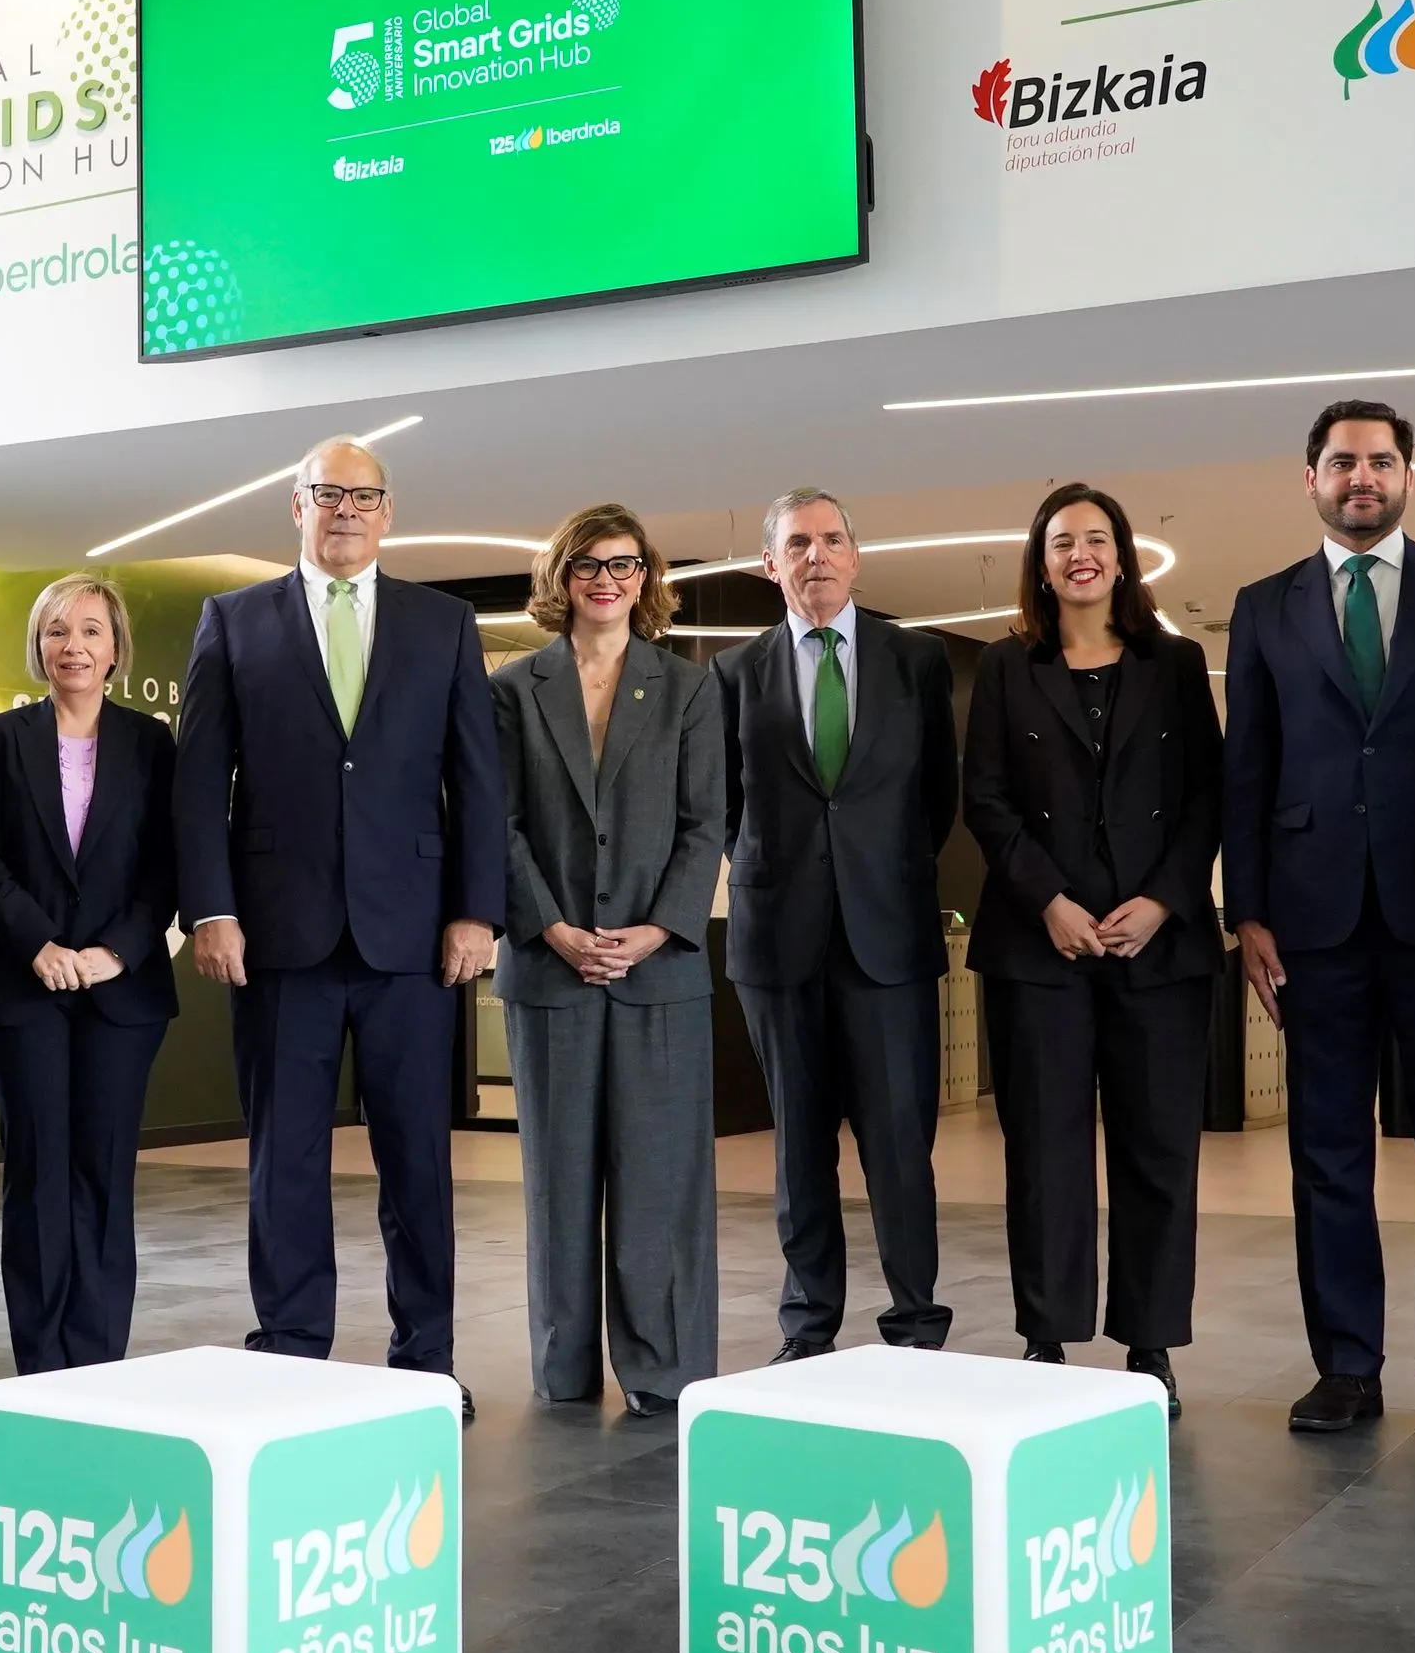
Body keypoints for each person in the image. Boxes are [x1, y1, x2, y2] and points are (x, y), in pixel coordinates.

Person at [176, 437, 504, 1411]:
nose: (347, 509)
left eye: (364, 495)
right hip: (277, 935)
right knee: (286, 1157)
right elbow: (199, 783)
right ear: (297, 505)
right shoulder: (233, 621)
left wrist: (477, 910)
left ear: (389, 511)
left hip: (414, 937)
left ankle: (427, 1360)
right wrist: (213, 907)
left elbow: (477, 778)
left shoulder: (443, 624)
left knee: (418, 1161)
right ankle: (288, 1349)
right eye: (330, 493)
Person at [1222, 398, 1415, 1440]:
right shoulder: (1264, 606)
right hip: (1311, 919)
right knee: (1326, 1151)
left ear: (1408, 476)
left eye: (1382, 461)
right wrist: (1245, 910)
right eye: (1344, 461)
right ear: (1308, 476)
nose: (1364, 476)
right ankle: (1347, 1364)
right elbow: (1246, 765)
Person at [963, 482, 1221, 1410]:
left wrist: (1162, 900)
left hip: (1159, 946)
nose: (1082, 554)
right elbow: (984, 798)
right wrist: (1048, 902)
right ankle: (1047, 1336)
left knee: (1158, 1150)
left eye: (1098, 538)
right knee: (1045, 1150)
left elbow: (1204, 797)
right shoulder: (1004, 666)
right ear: (1041, 560)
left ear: (1124, 557)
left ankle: (1150, 1345)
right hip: (1045, 947)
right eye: (1063, 540)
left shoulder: (1178, 663)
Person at [492, 504, 726, 1417]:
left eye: (624, 565)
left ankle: (662, 1370)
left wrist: (658, 929)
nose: (605, 579)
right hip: (549, 968)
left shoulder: (688, 689)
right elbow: (499, 826)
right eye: (587, 563)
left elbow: (707, 824)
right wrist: (550, 927)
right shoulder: (512, 689)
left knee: (659, 1181)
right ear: (562, 574)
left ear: (645, 579)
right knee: (557, 1184)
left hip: (658, 972)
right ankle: (562, 1370)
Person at [717, 488, 961, 1359]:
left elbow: (938, 800)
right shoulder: (733, 673)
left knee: (901, 1144)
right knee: (799, 1151)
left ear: (856, 556)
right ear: (769, 566)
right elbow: (724, 806)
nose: (815, 556)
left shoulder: (917, 661)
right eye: (797, 544)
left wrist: (876, 874)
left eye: (831, 540)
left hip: (887, 936)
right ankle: (808, 1325)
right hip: (777, 942)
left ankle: (915, 1322)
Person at [0, 573, 175, 1374]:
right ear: (38, 646)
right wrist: (40, 945)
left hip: (124, 990)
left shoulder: (152, 744)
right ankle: (42, 1364)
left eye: (89, 630)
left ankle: (98, 1357)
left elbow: (167, 865)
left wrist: (113, 952)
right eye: (57, 631)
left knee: (103, 1173)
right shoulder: (2, 739)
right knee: (37, 1174)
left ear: (116, 648)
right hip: (25, 988)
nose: (72, 645)